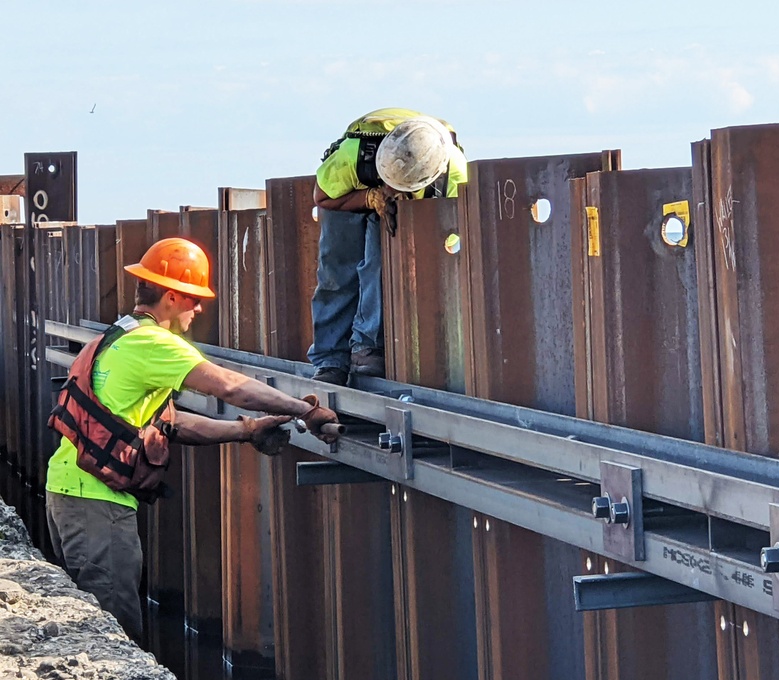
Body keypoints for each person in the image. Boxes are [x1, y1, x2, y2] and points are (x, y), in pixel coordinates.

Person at [44, 237, 342, 641]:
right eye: (193, 299)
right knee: (114, 633)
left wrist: (245, 431)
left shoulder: (118, 337)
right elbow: (230, 386)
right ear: (170, 296)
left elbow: (172, 424)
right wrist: (304, 409)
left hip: (68, 494)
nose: (198, 309)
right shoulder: (155, 344)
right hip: (97, 508)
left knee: (95, 626)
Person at [309, 107, 468, 385]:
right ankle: (331, 358)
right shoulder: (353, 157)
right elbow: (322, 198)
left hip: (419, 195)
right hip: (353, 190)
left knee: (377, 264)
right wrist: (371, 198)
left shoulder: (453, 172)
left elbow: (450, 241)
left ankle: (368, 346)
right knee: (337, 271)